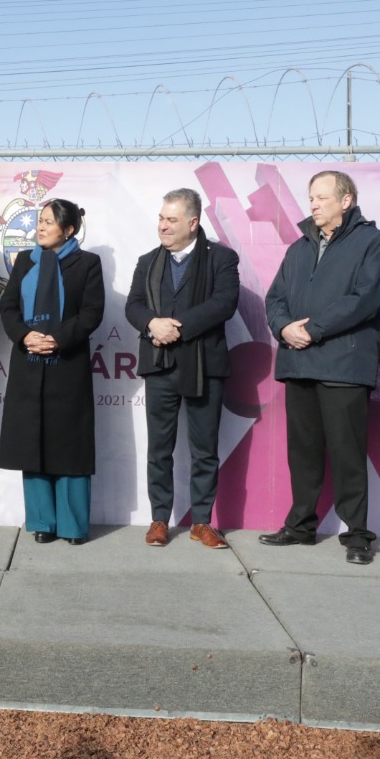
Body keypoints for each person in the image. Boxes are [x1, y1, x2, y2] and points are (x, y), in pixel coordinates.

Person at [259, 171, 380, 565]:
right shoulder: (299, 247)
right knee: (302, 452)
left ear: (346, 200)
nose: (314, 204)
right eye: (311, 198)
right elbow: (275, 297)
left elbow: (366, 297)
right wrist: (284, 328)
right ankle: (301, 526)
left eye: (321, 197)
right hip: (298, 362)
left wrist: (312, 329)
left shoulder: (373, 242)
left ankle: (357, 535)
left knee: (347, 453)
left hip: (343, 365)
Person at [125, 187, 241, 548]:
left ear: (193, 222)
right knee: (159, 448)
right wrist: (151, 324)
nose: (163, 225)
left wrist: (176, 327)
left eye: (171, 220)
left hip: (204, 365)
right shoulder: (148, 261)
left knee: (204, 448)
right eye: (161, 218)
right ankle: (160, 519)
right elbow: (134, 305)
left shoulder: (222, 258)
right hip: (159, 365)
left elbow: (224, 302)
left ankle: (202, 521)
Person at [0, 199, 106, 545]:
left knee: (69, 445)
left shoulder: (87, 263)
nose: (39, 227)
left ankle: (73, 526)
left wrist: (58, 339)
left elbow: (91, 312)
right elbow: (8, 306)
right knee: (32, 442)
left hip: (67, 364)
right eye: (39, 221)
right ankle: (41, 521)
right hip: (28, 363)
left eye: (47, 222)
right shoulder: (25, 260)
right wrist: (24, 335)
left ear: (68, 230)